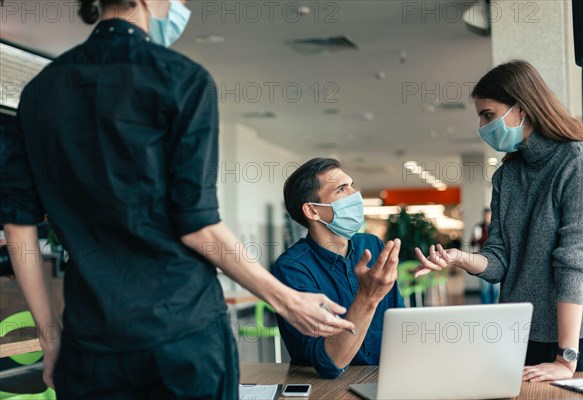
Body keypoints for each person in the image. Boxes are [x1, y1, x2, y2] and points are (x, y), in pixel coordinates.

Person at [0, 1, 354, 398]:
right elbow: (197, 225)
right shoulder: (180, 78)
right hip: (181, 334)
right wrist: (286, 300)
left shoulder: (40, 92)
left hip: (92, 341)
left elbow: (19, 227)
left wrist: (51, 341)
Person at [415, 60, 583, 382]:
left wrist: (566, 357)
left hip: (576, 339)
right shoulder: (508, 174)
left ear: (523, 109)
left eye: (488, 114)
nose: (484, 126)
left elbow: (574, 262)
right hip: (519, 332)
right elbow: (500, 260)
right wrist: (460, 257)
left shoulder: (580, 161)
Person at [272, 158, 403, 379]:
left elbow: (398, 319)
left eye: (352, 185)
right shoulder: (292, 269)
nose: (355, 194)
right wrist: (367, 297)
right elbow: (330, 361)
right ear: (313, 211)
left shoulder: (372, 245)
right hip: (327, 388)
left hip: (385, 377)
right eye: (342, 189)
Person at [470, 208, 499, 304]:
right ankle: (486, 307)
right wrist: (474, 239)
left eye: (489, 216)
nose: (488, 218)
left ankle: (495, 307)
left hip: (495, 258)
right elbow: (473, 244)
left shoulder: (496, 228)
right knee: (485, 287)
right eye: (486, 216)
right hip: (482, 258)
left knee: (495, 288)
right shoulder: (479, 227)